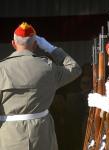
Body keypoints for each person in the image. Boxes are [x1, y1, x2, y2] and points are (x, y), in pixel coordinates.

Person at [0, 22, 81, 150]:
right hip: (41, 136)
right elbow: (74, 69)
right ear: (36, 44)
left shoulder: (1, 69)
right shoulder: (47, 67)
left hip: (9, 137)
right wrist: (51, 48)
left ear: (13, 44)